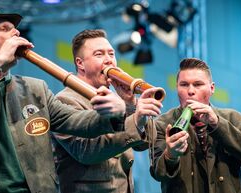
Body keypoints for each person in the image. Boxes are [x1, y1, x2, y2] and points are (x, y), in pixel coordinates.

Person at [0, 9, 129, 193]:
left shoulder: (35, 88)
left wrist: (116, 114)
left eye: (16, 29)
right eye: (5, 29)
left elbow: (77, 121)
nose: (16, 33)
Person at [51, 29, 163, 193]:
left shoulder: (116, 98)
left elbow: (146, 143)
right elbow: (86, 152)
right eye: (99, 54)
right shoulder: (65, 100)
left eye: (111, 54)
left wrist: (130, 102)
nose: (109, 60)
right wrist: (133, 118)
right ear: (80, 63)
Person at [150, 58, 241, 193]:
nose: (191, 91)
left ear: (212, 88)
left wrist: (218, 124)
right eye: (184, 84)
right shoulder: (162, 124)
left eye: (198, 84)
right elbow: (157, 174)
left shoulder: (234, 119)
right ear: (177, 88)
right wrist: (170, 156)